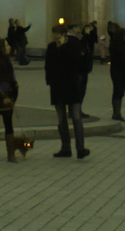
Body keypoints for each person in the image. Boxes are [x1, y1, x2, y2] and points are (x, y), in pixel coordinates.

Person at [46, 22, 88, 158]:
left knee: (76, 117)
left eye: (57, 36)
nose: (55, 38)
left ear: (64, 35)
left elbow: (75, 63)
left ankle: (80, 148)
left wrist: (63, 48)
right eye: (54, 36)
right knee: (61, 119)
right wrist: (49, 81)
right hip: (57, 88)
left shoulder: (72, 46)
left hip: (71, 86)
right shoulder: (51, 47)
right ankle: (65, 147)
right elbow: (49, 65)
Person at [106, 22, 125, 122]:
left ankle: (116, 112)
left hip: (114, 70)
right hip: (120, 72)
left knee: (116, 92)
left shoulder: (113, 43)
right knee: (119, 92)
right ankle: (117, 113)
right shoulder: (121, 46)